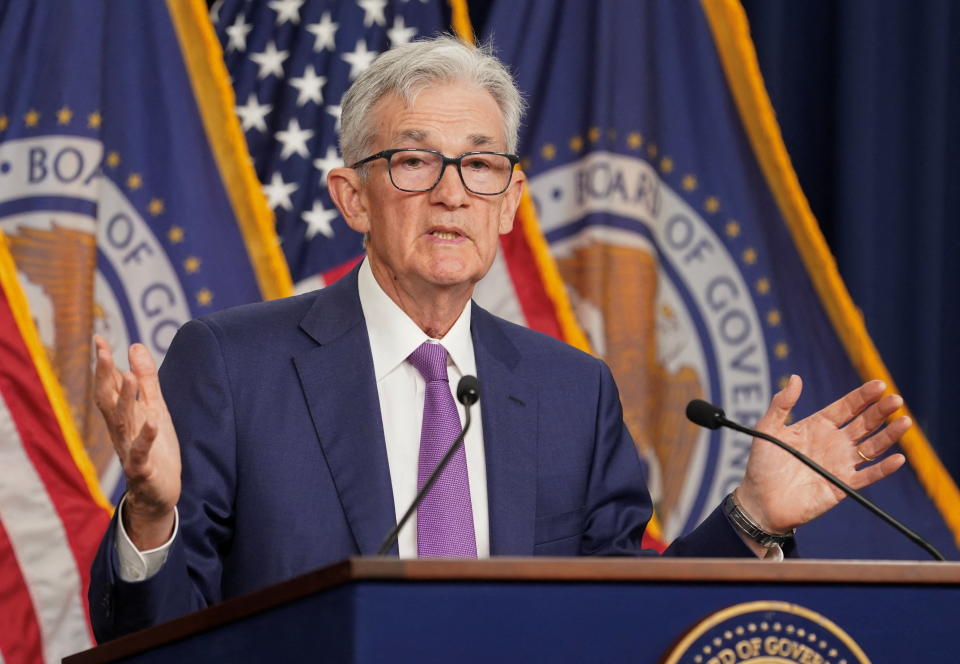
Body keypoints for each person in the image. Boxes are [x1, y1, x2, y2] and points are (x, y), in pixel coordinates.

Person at [88, 36, 909, 642]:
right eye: (413, 161)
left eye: (480, 167)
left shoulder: (569, 391)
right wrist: (153, 517)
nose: (452, 193)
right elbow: (147, 636)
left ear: (512, 200)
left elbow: (627, 623)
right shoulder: (234, 367)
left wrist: (752, 516)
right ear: (352, 197)